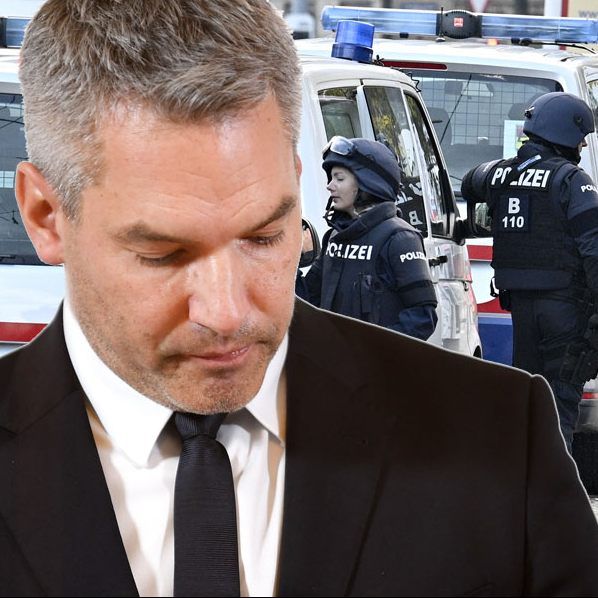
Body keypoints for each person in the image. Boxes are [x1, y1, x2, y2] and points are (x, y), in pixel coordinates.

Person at [1, 2, 598, 596]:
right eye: (163, 255)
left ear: (294, 180)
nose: (227, 313)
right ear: (45, 216)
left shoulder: (496, 440)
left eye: (264, 237)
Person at [461, 91, 598, 453]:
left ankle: (527, 481)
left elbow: (469, 182)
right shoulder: (572, 181)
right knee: (559, 403)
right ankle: (556, 484)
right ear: (564, 133)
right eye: (581, 137)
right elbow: (595, 251)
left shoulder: (500, 173)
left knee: (530, 403)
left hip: (519, 308)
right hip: (565, 310)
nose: (583, 144)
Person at [304, 137, 438, 341]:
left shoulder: (400, 239)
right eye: (331, 178)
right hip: (332, 358)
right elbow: (306, 297)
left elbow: (422, 318)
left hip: (375, 361)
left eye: (339, 178)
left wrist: (372, 350)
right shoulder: (334, 238)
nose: (330, 186)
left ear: (368, 183)